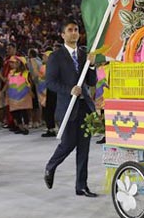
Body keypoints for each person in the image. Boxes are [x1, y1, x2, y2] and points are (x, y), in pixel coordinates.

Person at [43, 20, 98, 198]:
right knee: (68, 144)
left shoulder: (84, 54)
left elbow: (91, 81)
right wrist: (69, 90)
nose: (74, 33)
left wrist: (91, 65)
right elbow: (50, 83)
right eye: (70, 30)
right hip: (67, 107)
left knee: (84, 148)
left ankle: (81, 186)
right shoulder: (56, 57)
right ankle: (50, 167)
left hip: (84, 108)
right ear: (63, 34)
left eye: (76, 30)